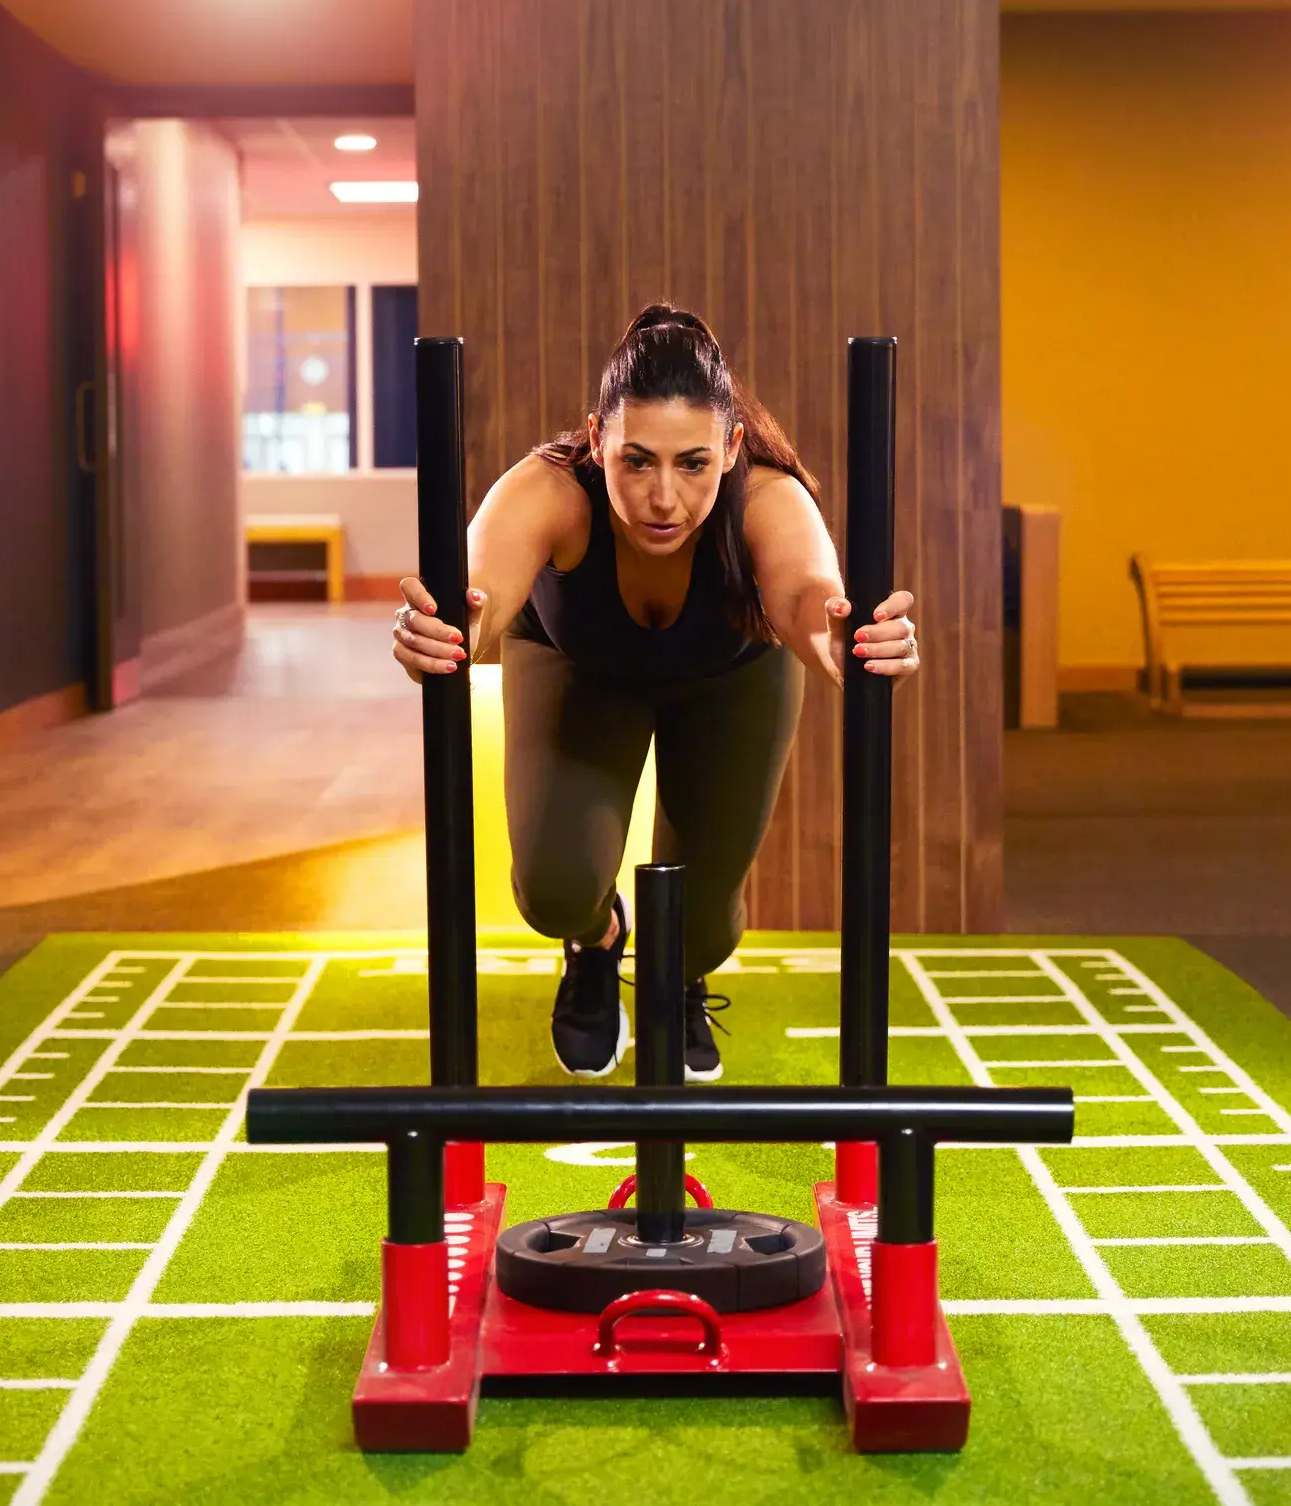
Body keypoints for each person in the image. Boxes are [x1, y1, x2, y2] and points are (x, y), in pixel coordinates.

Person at [390, 304, 920, 1082]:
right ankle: (598, 944)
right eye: (637, 461)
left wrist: (843, 642)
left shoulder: (768, 501)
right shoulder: (551, 490)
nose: (663, 498)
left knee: (702, 933)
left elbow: (813, 598)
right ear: (599, 440)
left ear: (732, 447)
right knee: (554, 891)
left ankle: (680, 974)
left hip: (735, 675)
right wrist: (441, 631)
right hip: (579, 665)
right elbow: (476, 591)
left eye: (693, 464)